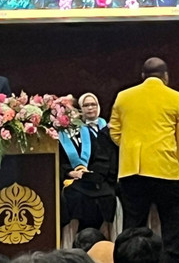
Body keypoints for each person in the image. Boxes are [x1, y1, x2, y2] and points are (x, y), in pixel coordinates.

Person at [110, 58, 179, 263]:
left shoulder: (123, 97)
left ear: (142, 76)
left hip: (132, 170)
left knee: (134, 223)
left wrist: (132, 148)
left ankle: (130, 258)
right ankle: (172, 259)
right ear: (165, 76)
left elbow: (114, 132)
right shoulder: (176, 98)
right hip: (166, 167)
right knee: (172, 222)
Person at [60, 93, 118, 243]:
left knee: (107, 196)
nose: (90, 108)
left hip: (95, 177)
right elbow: (58, 159)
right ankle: (78, 242)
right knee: (76, 197)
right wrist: (69, 172)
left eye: (93, 104)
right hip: (74, 179)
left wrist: (96, 174)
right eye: (86, 105)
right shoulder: (63, 134)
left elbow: (104, 157)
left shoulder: (99, 130)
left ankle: (103, 242)